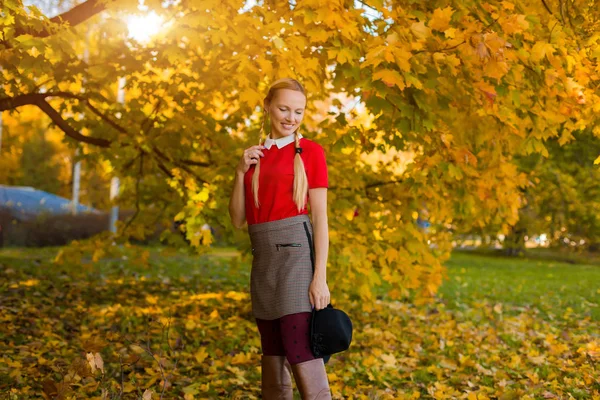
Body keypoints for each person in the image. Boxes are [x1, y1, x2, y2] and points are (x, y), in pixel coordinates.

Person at [228, 78, 332, 399]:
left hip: (298, 258)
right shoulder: (255, 156)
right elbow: (237, 219)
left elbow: (320, 220)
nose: (291, 117)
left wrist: (320, 278)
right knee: (272, 351)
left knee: (300, 349)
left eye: (298, 111)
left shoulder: (311, 152)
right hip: (264, 261)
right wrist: (239, 172)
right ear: (267, 106)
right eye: (284, 108)